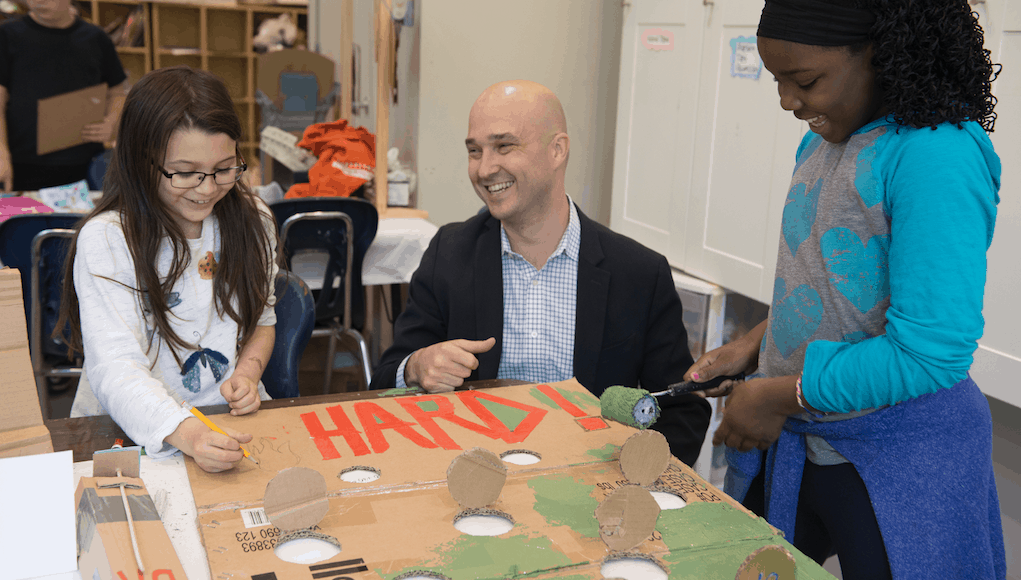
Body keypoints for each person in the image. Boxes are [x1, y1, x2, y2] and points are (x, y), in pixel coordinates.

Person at [683, 0, 1005, 578]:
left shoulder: (937, 155)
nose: (786, 100)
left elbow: (930, 352)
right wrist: (756, 345)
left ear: (882, 54)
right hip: (804, 439)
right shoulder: (827, 139)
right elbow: (829, 285)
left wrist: (778, 394)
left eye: (804, 80)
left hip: (899, 456)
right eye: (777, 80)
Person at [369, 80, 711, 466]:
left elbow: (683, 412)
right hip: (474, 476)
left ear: (557, 150)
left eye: (504, 146)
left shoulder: (638, 273)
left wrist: (620, 477)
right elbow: (383, 381)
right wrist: (416, 366)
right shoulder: (448, 254)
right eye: (474, 151)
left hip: (592, 483)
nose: (484, 169)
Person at [57, 66, 279, 473]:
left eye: (224, 168)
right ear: (144, 160)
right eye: (184, 172)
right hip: (125, 428)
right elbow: (115, 365)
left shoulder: (253, 220)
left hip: (224, 423)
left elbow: (263, 320)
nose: (208, 187)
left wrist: (247, 375)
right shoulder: (109, 238)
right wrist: (187, 432)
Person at [0, 0, 127, 192]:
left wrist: (110, 123)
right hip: (23, 164)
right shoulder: (7, 35)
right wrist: (1, 153)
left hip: (85, 165)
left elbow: (117, 92)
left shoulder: (97, 38)